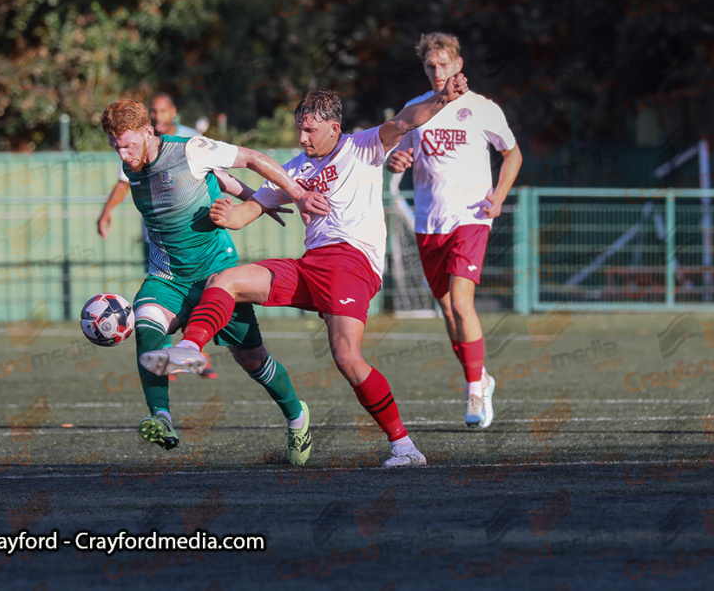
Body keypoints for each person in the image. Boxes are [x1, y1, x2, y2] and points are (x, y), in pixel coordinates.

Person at [141, 74, 469, 468]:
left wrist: (442, 99)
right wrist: (226, 215)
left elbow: (405, 121)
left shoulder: (363, 146)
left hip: (351, 263)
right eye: (299, 129)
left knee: (347, 358)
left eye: (310, 130)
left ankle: (404, 447)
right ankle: (189, 348)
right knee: (224, 280)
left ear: (334, 128)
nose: (302, 138)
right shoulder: (294, 169)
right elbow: (247, 214)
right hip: (310, 265)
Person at [100, 98, 330, 465]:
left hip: (216, 275)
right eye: (115, 146)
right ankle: (162, 418)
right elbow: (217, 178)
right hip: (168, 275)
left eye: (128, 144)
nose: (123, 154)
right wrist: (253, 197)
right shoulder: (132, 164)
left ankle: (296, 414)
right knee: (145, 323)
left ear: (148, 131)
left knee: (253, 360)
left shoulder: (189, 149)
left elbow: (250, 158)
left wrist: (292, 196)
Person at [386, 32, 523, 429]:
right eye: (430, 65)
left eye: (444, 64)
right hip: (430, 222)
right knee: (447, 309)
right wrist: (398, 159)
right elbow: (397, 150)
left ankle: (474, 392)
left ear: (458, 65)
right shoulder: (414, 109)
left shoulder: (483, 109)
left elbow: (511, 153)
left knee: (462, 302)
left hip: (472, 216)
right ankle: (481, 376)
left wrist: (498, 196)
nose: (437, 71)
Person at [97, 93, 199, 240]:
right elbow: (123, 184)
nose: (158, 116)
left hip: (193, 232)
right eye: (153, 111)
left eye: (163, 111)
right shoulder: (136, 145)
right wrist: (107, 210)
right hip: (157, 235)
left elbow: (216, 176)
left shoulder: (192, 139)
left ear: (173, 111)